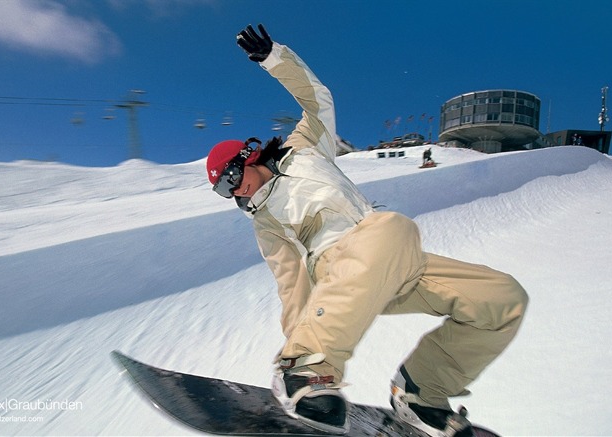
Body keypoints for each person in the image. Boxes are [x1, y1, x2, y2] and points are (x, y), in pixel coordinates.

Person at [206, 24, 528, 436]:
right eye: (222, 191)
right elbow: (292, 284)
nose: (233, 193)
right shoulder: (267, 219)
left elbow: (316, 98)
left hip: (394, 262)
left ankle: (421, 392)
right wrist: (299, 350)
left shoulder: (305, 147)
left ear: (248, 157)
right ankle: (304, 372)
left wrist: (274, 58)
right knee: (392, 227)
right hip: (338, 270)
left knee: (501, 299)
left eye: (230, 179)